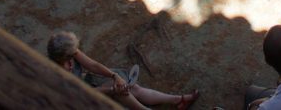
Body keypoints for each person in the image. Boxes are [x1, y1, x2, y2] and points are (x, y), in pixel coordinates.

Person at [46, 30, 198, 109]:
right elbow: (82, 94)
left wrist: (114, 76)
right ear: (61, 58)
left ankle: (179, 100)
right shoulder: (56, 75)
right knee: (121, 93)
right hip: (80, 100)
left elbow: (92, 65)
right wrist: (113, 89)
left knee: (132, 88)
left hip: (89, 84)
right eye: (72, 55)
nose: (76, 54)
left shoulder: (71, 52)